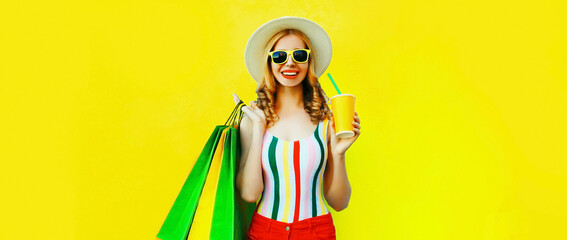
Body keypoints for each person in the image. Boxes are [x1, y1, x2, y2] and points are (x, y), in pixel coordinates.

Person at [233, 16, 361, 240]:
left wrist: (339, 154)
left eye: (299, 55)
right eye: (280, 56)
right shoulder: (252, 120)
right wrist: (258, 128)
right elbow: (250, 193)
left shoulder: (327, 122)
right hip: (265, 232)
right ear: (269, 62)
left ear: (308, 62)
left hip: (317, 231)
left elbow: (339, 203)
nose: (290, 63)